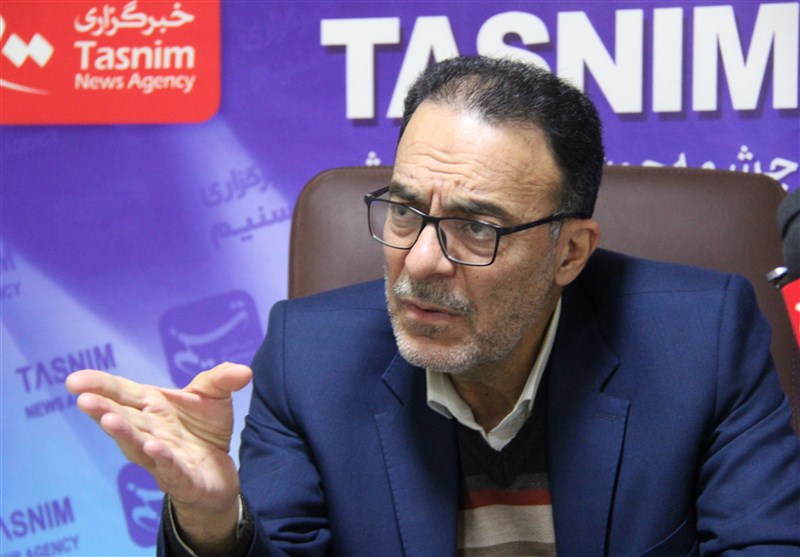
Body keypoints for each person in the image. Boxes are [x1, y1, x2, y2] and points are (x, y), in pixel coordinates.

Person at [66, 56, 800, 557]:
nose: (420, 261)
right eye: (405, 210)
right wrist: (212, 522)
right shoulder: (306, 359)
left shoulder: (703, 340)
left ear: (570, 252)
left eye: (478, 228)